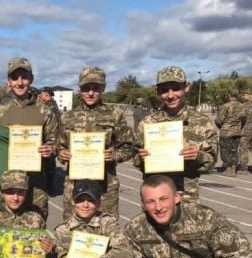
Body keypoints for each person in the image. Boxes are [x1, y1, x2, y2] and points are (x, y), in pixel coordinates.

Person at [0, 58, 59, 220]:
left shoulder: (45, 111)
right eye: (15, 77)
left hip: (35, 185)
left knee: (36, 229)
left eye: (24, 77)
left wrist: (50, 149)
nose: (20, 82)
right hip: (7, 186)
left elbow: (56, 143)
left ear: (31, 79)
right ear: (9, 81)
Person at [58, 67, 135, 220]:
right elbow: (59, 146)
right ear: (80, 89)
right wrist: (62, 154)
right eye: (86, 88)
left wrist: (115, 155)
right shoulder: (67, 117)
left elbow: (129, 146)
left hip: (105, 186)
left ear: (103, 88)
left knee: (106, 229)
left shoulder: (115, 114)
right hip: (75, 184)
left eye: (96, 88)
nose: (91, 93)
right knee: (72, 228)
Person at [134, 66, 218, 203]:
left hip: (187, 197)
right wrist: (141, 158)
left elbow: (212, 161)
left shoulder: (202, 123)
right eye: (164, 90)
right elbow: (136, 159)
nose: (171, 95)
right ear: (157, 91)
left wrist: (199, 156)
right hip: (155, 199)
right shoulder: (147, 123)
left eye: (175, 88)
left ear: (187, 87)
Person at [215, 90, 246, 177]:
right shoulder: (242, 106)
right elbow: (244, 118)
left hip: (226, 131)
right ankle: (233, 168)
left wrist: (222, 126)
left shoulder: (226, 106)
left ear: (229, 95)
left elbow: (219, 120)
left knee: (225, 150)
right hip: (237, 131)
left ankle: (228, 169)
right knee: (234, 150)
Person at [239, 88, 251, 174]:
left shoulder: (244, 105)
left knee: (244, 149)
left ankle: (243, 169)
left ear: (250, 95)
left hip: (246, 130)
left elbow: (241, 117)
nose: (242, 96)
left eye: (244, 95)